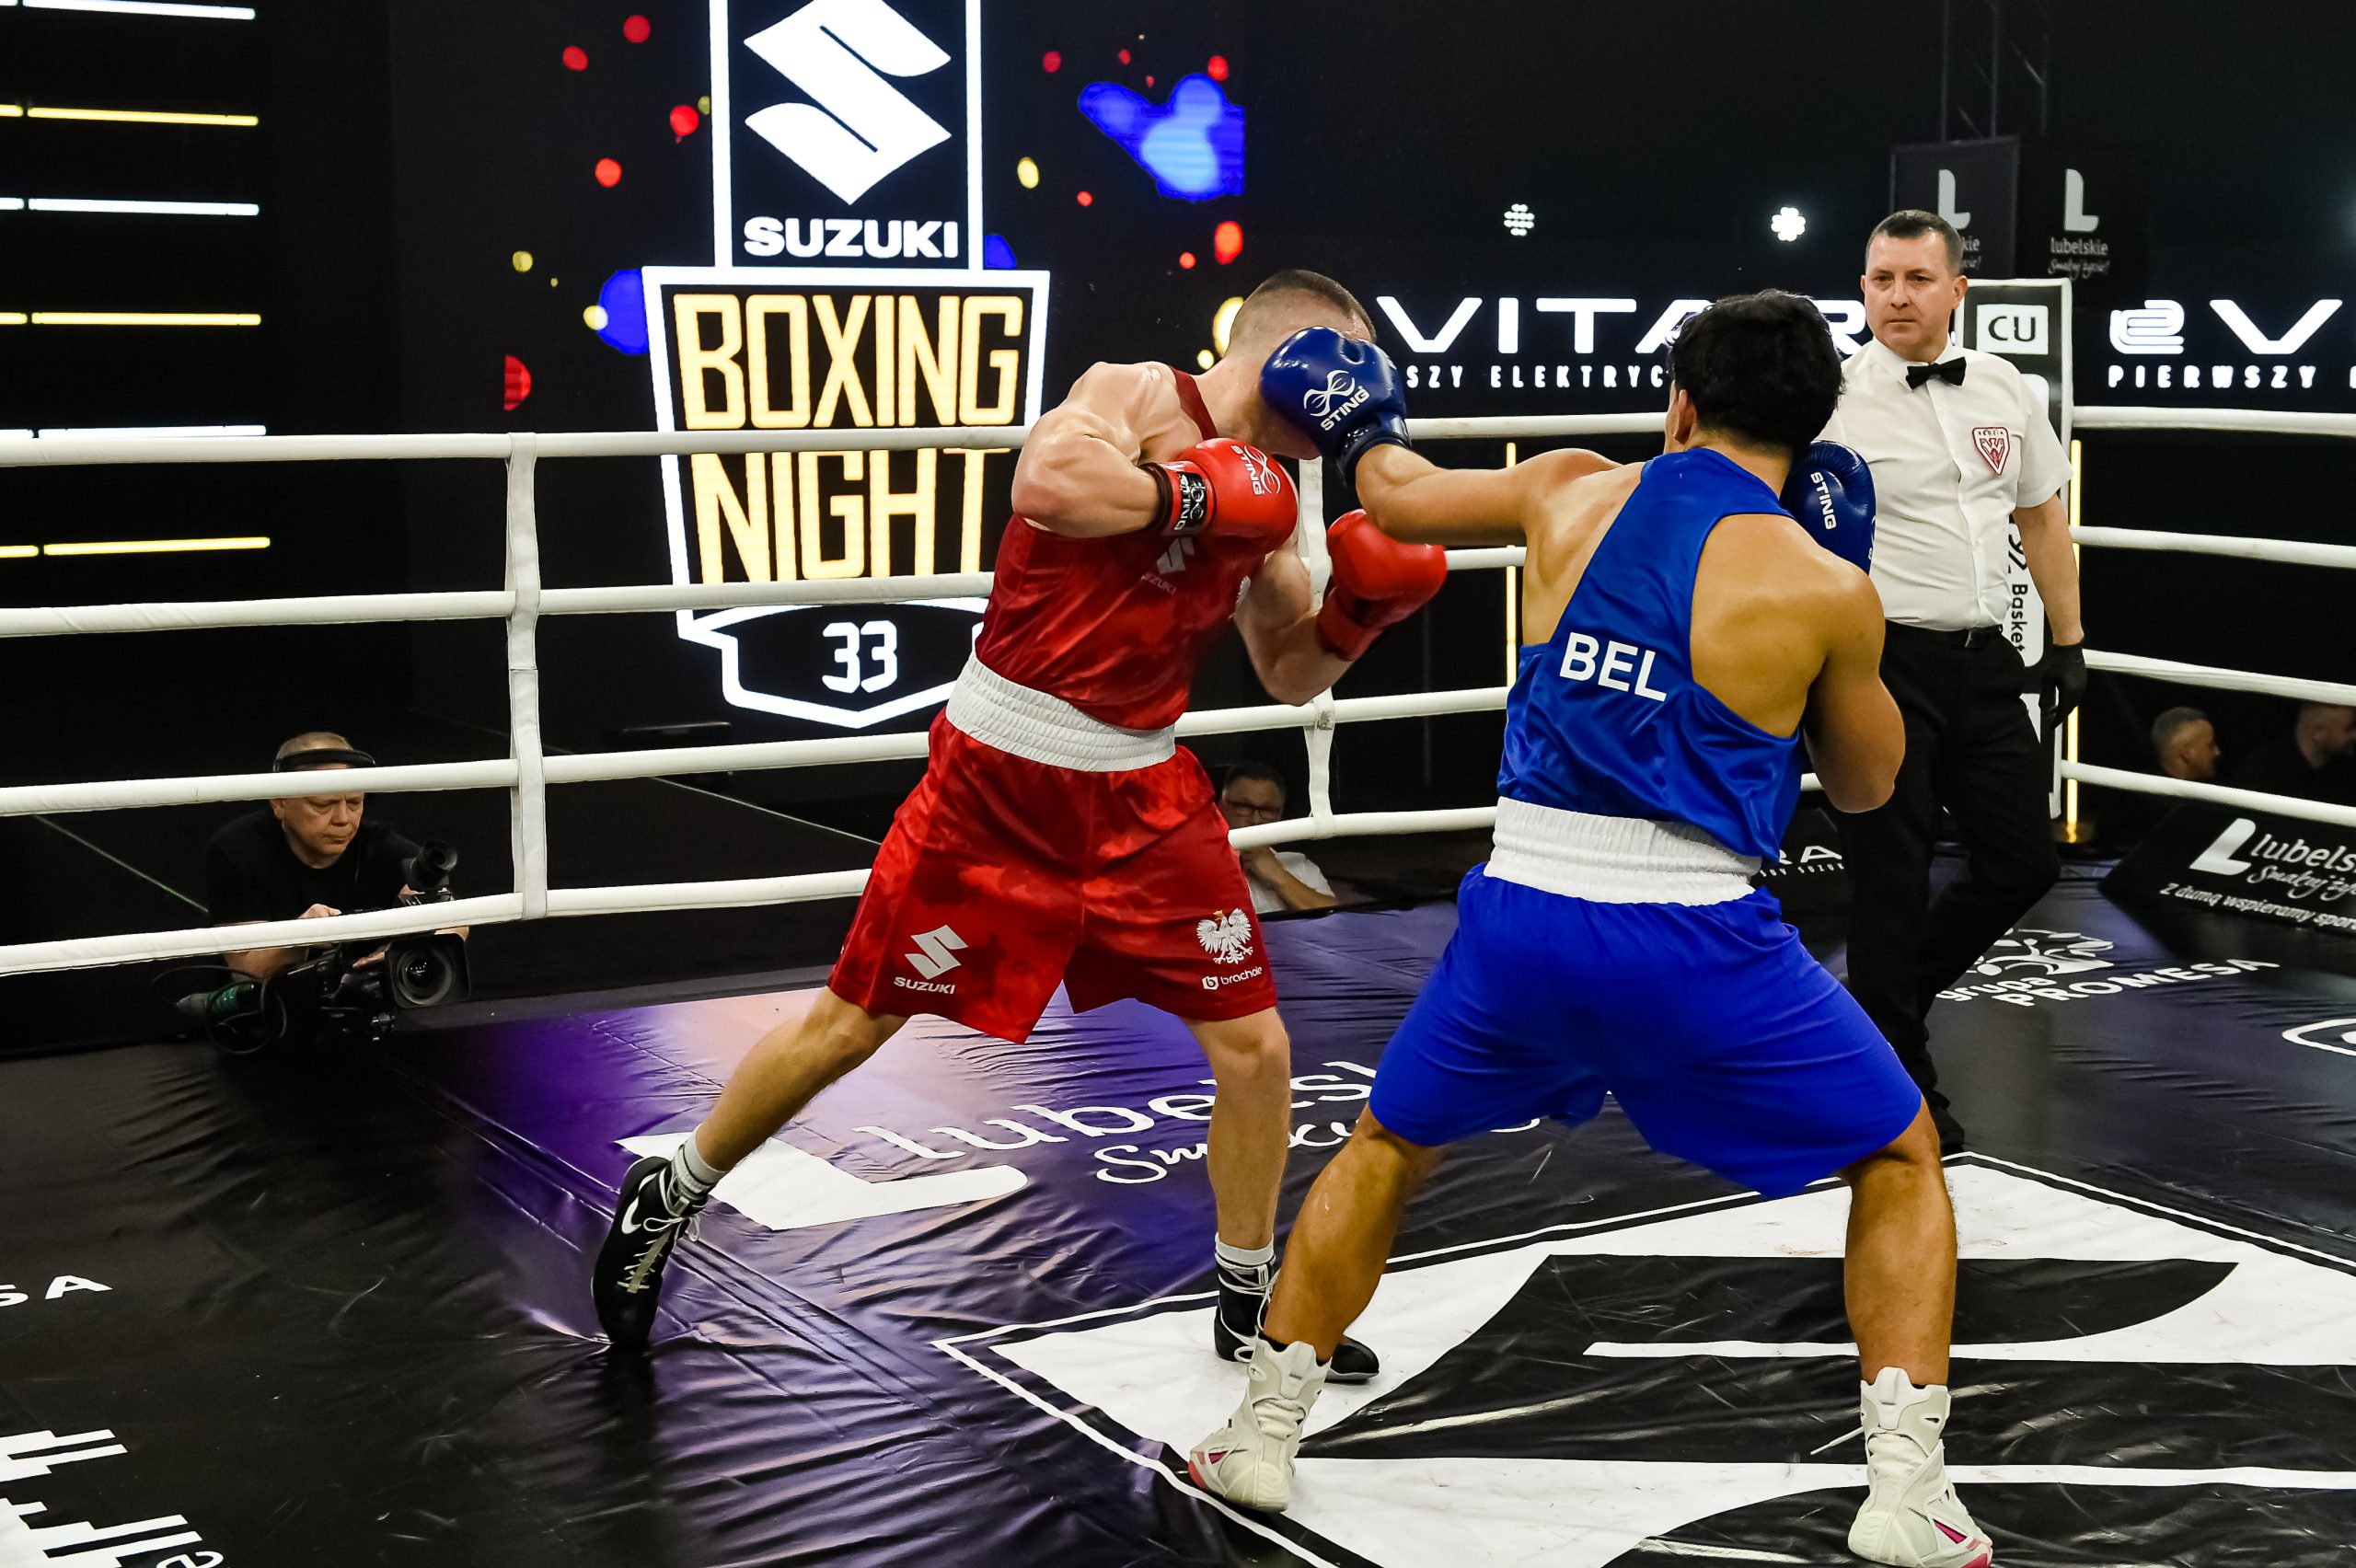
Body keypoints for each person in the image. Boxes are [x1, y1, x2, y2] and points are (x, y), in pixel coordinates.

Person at [1191, 294, 1989, 1568]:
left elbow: (1394, 495)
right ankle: (1908, 1492)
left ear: (1681, 404)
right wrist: (1845, 597)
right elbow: (1865, 787)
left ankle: (1261, 1435)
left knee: (1390, 1143)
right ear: (1815, 430)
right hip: (1699, 942)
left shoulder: (1568, 489)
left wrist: (1362, 420)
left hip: (1523, 920)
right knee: (1898, 1158)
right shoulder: (1826, 584)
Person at [590, 271, 1450, 1380]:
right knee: (853, 1024)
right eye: (1350, 357)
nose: (1354, 392)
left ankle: (1249, 1297)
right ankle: (673, 1189)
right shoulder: (1140, 394)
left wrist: (1359, 614)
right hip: (999, 780)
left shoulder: (1277, 500)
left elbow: (1288, 673)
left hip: (1142, 794)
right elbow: (1046, 482)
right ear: (1292, 347)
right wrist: (1194, 495)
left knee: (1255, 1049)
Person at [1819, 209, 2083, 1152]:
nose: (1897, 296)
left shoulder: (2004, 385)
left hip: (1985, 657)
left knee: (2024, 863)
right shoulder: (1829, 400)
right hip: (1875, 663)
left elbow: (2041, 515)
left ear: (1956, 289)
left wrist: (2069, 640)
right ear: (1862, 289)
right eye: (1881, 279)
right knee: (1890, 879)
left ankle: (1873, 1012)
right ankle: (1898, 1082)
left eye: (1917, 279)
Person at [205, 732, 426, 979]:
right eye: (323, 805)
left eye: (354, 803)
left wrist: (394, 954)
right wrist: (300, 936)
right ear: (280, 802)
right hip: (273, 999)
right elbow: (245, 971)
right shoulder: (238, 848)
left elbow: (454, 925)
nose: (343, 819)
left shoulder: (381, 845)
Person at [1218, 762, 1338, 915]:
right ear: (1220, 808)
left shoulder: (1298, 865)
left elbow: (1337, 919)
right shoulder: (1197, 868)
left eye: (1267, 810)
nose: (1255, 820)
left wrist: (1278, 876)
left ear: (1279, 814)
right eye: (1243, 807)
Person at [2226, 701, 2356, 806]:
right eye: (2350, 727)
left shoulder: (2348, 776)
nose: (2355, 735)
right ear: (2320, 722)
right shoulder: (2261, 771)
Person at [2153, 706, 2219, 784]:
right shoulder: (2146, 787)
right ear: (2186, 752)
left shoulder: (2216, 789)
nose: (2217, 752)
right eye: (2210, 746)